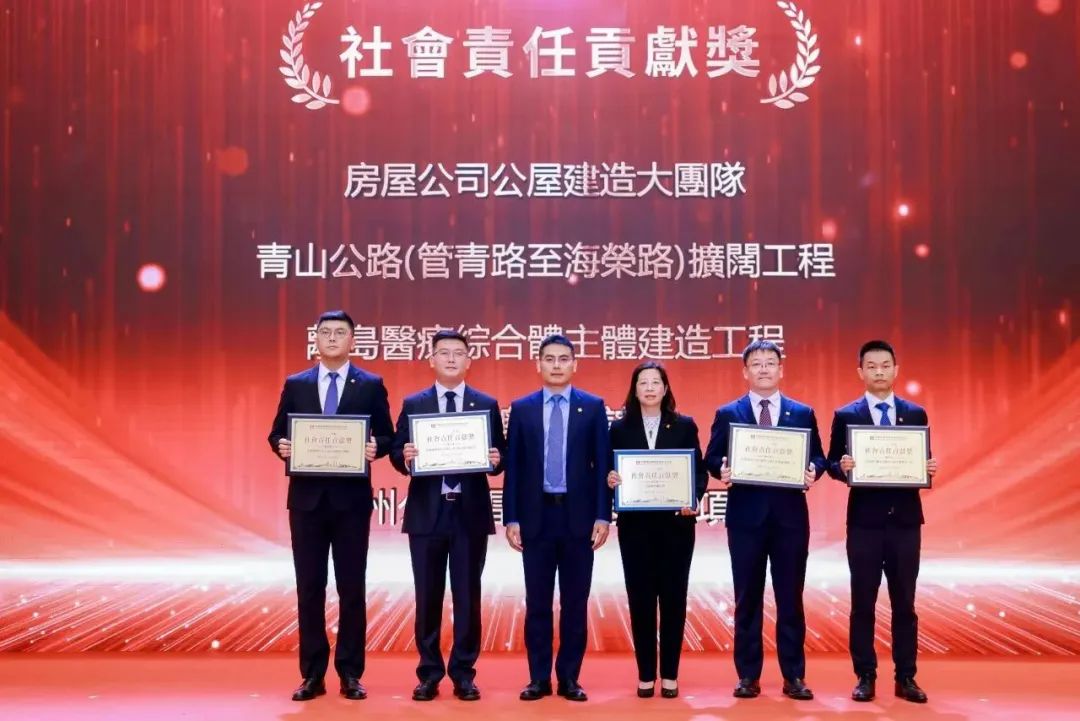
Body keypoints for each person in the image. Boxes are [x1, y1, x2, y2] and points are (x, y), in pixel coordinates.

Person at [268, 310, 394, 702]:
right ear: (316, 339)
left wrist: (376, 447)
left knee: (351, 588)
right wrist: (281, 445)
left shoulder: (370, 384)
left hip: (351, 502)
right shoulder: (297, 383)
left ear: (353, 341)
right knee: (310, 587)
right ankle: (312, 674)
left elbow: (388, 435)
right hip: (307, 502)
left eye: (341, 332)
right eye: (326, 332)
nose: (333, 338)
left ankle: (351, 673)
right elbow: (276, 433)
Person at [704, 340, 825, 701]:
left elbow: (818, 456)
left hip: (790, 520)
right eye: (756, 364)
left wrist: (813, 469)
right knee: (747, 599)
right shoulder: (729, 412)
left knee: (791, 599)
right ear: (745, 371)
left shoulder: (802, 413)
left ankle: (794, 676)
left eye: (770, 363)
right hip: (746, 519)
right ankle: (748, 675)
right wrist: (722, 469)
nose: (763, 369)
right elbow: (711, 457)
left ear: (780, 369)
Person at [389, 330, 506, 702]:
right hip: (427, 514)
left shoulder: (486, 404)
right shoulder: (414, 403)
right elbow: (396, 452)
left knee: (468, 596)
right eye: (444, 353)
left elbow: (500, 454)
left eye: (458, 353)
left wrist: (496, 460)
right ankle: (429, 673)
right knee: (428, 597)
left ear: (469, 360)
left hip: (469, 513)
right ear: (432, 360)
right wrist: (405, 456)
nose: (452, 359)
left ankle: (463, 673)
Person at [826, 340, 937, 704]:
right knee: (863, 602)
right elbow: (830, 463)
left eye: (885, 365)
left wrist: (928, 466)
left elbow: (921, 459)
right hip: (865, 523)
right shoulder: (846, 415)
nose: (879, 372)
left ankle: (906, 676)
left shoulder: (915, 413)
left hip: (905, 522)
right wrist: (842, 467)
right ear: (861, 372)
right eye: (871, 366)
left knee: (905, 602)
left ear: (896, 370)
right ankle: (865, 675)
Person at [503, 334, 612, 702]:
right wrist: (511, 517)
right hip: (536, 518)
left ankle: (569, 678)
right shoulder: (522, 408)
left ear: (574, 364)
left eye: (563, 359)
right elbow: (514, 466)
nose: (556, 365)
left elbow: (603, 464)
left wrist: (603, 515)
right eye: (549, 359)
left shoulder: (592, 407)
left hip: (579, 518)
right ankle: (538, 678)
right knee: (537, 604)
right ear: (538, 364)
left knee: (575, 604)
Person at [606, 361, 707, 699]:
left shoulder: (684, 425)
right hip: (635, 529)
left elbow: (699, 472)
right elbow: (607, 471)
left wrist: (693, 497)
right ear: (634, 390)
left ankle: (671, 675)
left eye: (655, 382)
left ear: (665, 389)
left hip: (676, 527)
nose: (649, 388)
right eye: (643, 383)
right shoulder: (619, 429)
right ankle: (646, 674)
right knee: (641, 601)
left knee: (674, 600)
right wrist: (610, 479)